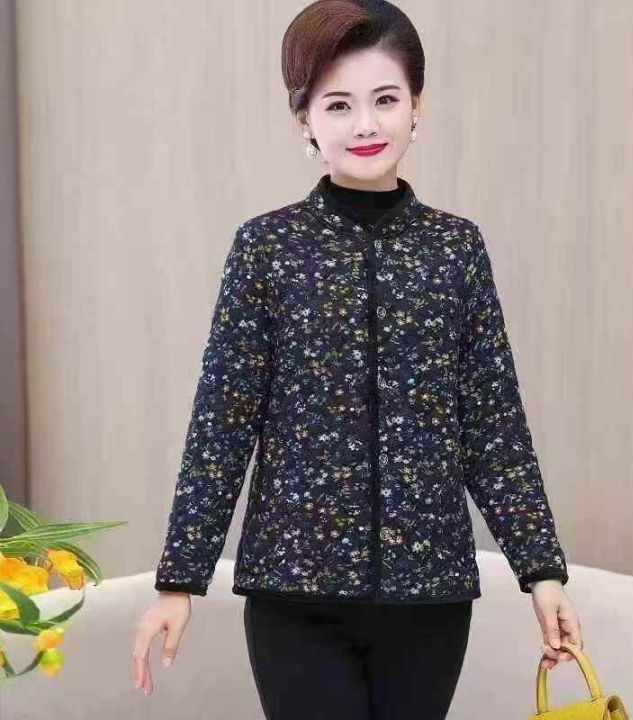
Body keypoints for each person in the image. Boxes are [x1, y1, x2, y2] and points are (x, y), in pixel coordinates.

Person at [132, 1, 583, 717]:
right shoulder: (267, 248)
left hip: (428, 596)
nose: (365, 124)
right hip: (294, 594)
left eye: (385, 100)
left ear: (417, 107)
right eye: (338, 104)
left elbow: (492, 423)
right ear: (304, 119)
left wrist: (542, 572)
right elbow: (223, 421)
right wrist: (178, 580)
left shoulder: (455, 250)